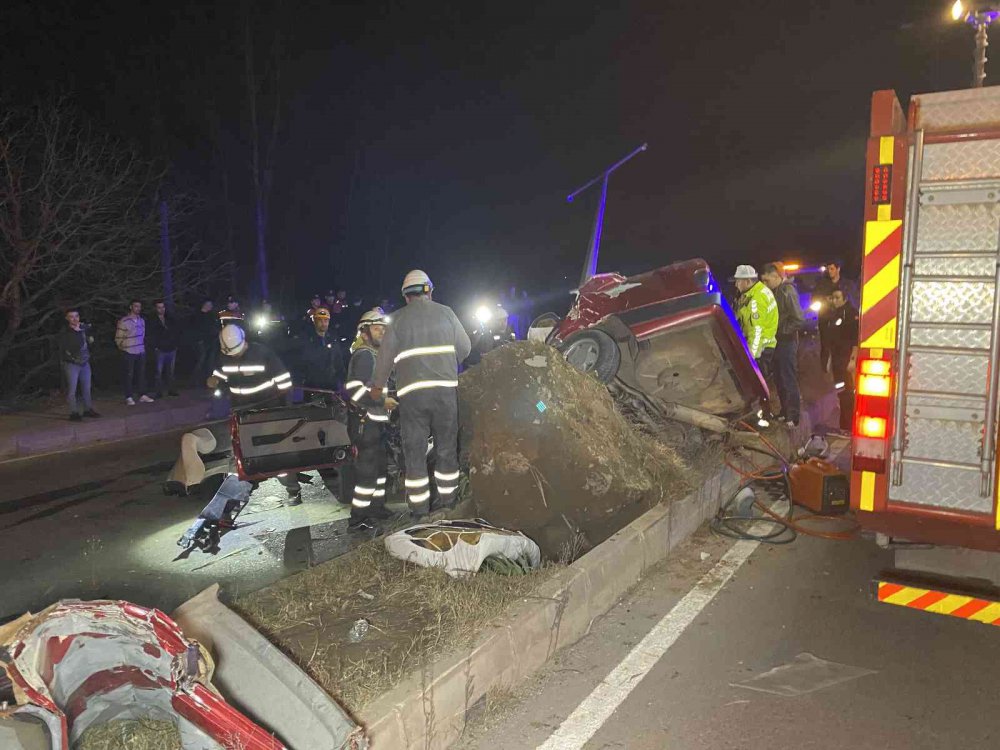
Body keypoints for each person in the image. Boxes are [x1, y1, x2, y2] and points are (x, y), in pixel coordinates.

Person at [370, 270, 472, 517]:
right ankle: (448, 505)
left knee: (414, 452)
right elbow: (466, 349)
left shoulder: (396, 321)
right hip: (445, 393)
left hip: (412, 398)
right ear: (429, 290)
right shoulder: (447, 313)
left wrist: (376, 391)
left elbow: (383, 362)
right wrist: (446, 362)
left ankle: (419, 511)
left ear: (406, 296)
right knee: (446, 450)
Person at [208, 325, 303, 504]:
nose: (233, 356)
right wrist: (214, 380)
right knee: (241, 453)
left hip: (266, 410)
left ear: (243, 341)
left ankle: (293, 490)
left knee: (275, 452)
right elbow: (220, 374)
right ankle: (236, 494)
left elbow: (284, 381)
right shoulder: (225, 355)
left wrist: (284, 409)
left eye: (236, 352)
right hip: (241, 412)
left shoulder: (262, 353)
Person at [344, 308, 397, 531]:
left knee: (380, 468)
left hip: (377, 421)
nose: (382, 333)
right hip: (366, 422)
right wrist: (382, 402)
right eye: (377, 329)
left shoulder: (376, 355)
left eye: (384, 328)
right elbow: (354, 391)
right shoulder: (364, 355)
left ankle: (376, 508)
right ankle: (358, 519)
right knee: (367, 472)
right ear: (364, 333)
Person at [761, 263, 803, 427]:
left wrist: (781, 330)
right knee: (778, 378)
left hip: (787, 341)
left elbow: (798, 319)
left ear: (776, 276)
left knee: (788, 378)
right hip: (776, 342)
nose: (765, 284)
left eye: (767, 280)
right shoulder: (773, 291)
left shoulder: (787, 291)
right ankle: (785, 412)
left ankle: (793, 416)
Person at [813, 261, 859, 373]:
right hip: (826, 319)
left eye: (832, 269)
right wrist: (825, 300)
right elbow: (815, 299)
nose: (830, 271)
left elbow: (854, 299)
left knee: (844, 345)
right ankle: (826, 369)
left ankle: (842, 369)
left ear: (838, 269)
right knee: (826, 345)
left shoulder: (847, 284)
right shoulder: (822, 285)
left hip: (844, 320)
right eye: (828, 269)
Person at [732, 265, 778, 373]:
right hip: (764, 346)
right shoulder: (757, 291)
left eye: (738, 281)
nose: (736, 284)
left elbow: (757, 331)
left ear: (747, 281)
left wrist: (751, 359)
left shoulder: (755, 300)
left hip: (761, 350)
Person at [57, 308, 100, 421]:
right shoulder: (65, 332)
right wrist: (79, 333)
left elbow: (92, 338)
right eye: (71, 316)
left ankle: (88, 409)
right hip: (72, 363)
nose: (75, 319)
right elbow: (66, 348)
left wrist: (88, 335)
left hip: (85, 362)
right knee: (72, 389)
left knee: (87, 387)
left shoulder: (83, 329)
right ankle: (73, 412)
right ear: (67, 319)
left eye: (76, 316)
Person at [828, 289, 859, 433]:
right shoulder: (834, 314)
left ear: (845, 298)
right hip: (837, 360)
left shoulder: (851, 314)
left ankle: (849, 426)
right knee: (841, 393)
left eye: (837, 297)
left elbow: (855, 339)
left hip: (847, 359)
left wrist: (853, 360)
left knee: (848, 393)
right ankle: (844, 426)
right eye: (833, 298)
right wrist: (829, 359)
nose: (834, 300)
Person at [295, 307, 345, 392]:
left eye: (326, 321)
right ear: (314, 321)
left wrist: (342, 381)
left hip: (331, 386)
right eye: (320, 320)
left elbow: (338, 362)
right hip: (312, 387)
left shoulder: (333, 340)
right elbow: (300, 365)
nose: (323, 323)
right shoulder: (306, 340)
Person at [115, 300, 154, 406]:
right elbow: (118, 338)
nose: (138, 308)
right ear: (131, 307)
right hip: (129, 351)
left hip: (140, 351)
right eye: (136, 306)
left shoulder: (142, 321)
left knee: (141, 374)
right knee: (129, 375)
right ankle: (129, 396)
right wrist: (124, 347)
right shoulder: (124, 321)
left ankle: (142, 395)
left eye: (139, 306)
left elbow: (143, 335)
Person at [148, 299, 180, 398]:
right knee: (159, 372)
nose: (161, 309)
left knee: (171, 371)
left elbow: (176, 331)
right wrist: (156, 346)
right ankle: (158, 392)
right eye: (159, 307)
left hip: (171, 348)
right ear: (156, 309)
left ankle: (171, 390)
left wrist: (175, 344)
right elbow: (152, 335)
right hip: (160, 349)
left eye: (163, 307)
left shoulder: (170, 318)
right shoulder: (153, 320)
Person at [191, 298, 217, 385]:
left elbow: (214, 327)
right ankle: (195, 380)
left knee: (210, 363)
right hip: (202, 342)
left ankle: (208, 381)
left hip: (211, 341)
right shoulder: (198, 316)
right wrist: (199, 340)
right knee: (201, 361)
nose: (211, 307)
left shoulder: (211, 315)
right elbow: (196, 329)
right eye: (209, 305)